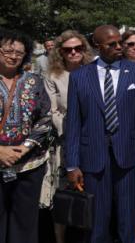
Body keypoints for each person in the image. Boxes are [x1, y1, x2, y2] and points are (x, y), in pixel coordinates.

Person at [64, 25, 135, 243]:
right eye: (112, 44)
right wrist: (72, 164)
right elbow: (74, 124)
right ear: (97, 46)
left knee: (130, 218)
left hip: (129, 157)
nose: (119, 47)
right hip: (93, 158)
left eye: (120, 42)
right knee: (97, 221)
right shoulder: (79, 77)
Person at [0, 29, 53, 243]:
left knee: (25, 222)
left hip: (29, 165)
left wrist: (26, 147)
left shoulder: (34, 81)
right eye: (7, 51)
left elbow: (45, 118)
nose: (13, 56)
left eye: (19, 53)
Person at [39, 30, 92, 243]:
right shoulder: (53, 76)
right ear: (60, 52)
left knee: (90, 191)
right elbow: (51, 112)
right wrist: (74, 127)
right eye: (68, 49)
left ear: (84, 49)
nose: (73, 53)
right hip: (65, 140)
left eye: (78, 48)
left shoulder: (93, 71)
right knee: (61, 194)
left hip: (92, 140)